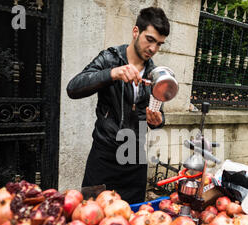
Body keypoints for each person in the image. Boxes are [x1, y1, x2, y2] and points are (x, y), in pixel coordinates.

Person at [66, 7, 170, 204]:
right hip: (103, 156)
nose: (153, 48)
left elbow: (158, 114)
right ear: (135, 31)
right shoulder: (110, 58)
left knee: (132, 220)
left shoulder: (155, 74)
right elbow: (73, 88)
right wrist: (112, 73)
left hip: (135, 159)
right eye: (150, 39)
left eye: (159, 44)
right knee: (91, 218)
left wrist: (158, 120)